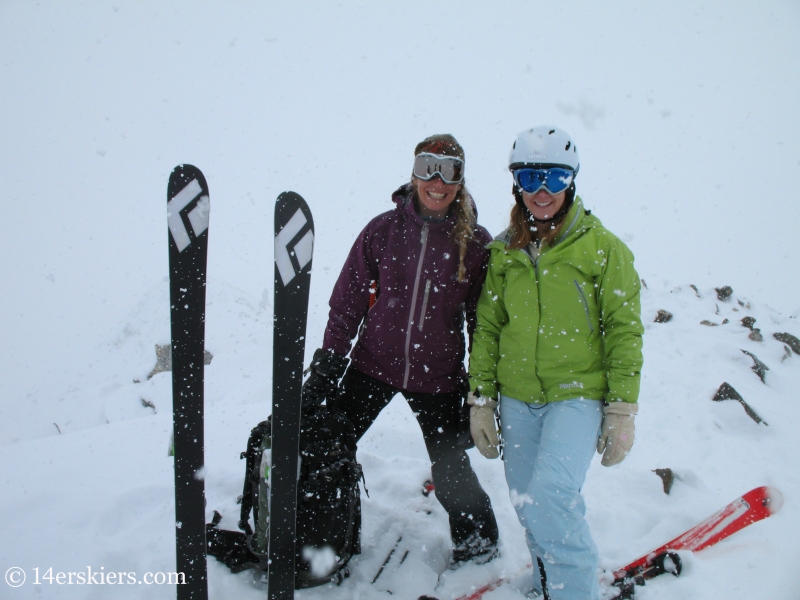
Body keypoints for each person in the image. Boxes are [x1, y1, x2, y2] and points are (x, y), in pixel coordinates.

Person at [301, 134, 500, 565]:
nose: (437, 180)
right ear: (413, 173)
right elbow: (347, 302)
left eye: (449, 170)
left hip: (438, 375)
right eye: (428, 166)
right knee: (329, 445)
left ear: (460, 182)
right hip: (372, 365)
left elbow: (481, 323)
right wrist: (328, 364)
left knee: (451, 471)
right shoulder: (383, 230)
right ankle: (322, 533)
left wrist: (480, 387)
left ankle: (479, 545)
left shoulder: (475, 243)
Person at [467, 126, 644, 600]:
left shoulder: (602, 249)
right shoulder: (504, 252)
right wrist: (481, 399)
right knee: (528, 504)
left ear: (571, 182)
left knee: (551, 497)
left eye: (553, 178)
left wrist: (622, 408)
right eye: (529, 179)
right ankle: (550, 584)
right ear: (516, 185)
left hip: (576, 395)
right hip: (517, 397)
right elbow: (487, 328)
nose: (541, 191)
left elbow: (624, 330)